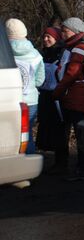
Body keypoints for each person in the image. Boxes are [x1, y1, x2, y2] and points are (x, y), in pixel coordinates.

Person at [52, 17, 84, 181]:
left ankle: (83, 170)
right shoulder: (71, 47)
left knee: (80, 133)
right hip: (70, 95)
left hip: (77, 95)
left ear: (75, 31)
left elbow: (72, 73)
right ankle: (66, 166)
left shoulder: (80, 48)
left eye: (65, 30)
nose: (62, 33)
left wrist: (58, 91)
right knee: (66, 131)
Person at [5, 18, 45, 154]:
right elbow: (40, 81)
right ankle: (28, 167)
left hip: (7, 100)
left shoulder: (3, 54)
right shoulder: (36, 55)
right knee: (26, 134)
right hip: (30, 101)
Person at [36, 26, 66, 173]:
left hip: (57, 98)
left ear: (56, 38)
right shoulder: (41, 55)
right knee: (46, 129)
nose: (45, 39)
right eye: (44, 37)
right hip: (44, 96)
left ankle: (62, 162)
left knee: (59, 130)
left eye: (49, 37)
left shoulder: (62, 55)